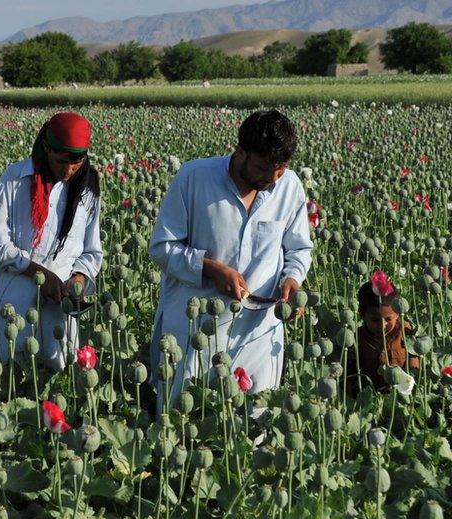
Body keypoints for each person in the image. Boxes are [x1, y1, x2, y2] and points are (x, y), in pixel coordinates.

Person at [148, 110, 313, 406]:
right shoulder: (194, 178)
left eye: (280, 170)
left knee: (255, 423)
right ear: (240, 151)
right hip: (194, 327)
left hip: (259, 331)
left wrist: (293, 278)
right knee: (183, 419)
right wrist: (209, 269)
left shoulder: (289, 187)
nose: (273, 180)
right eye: (264, 168)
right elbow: (162, 246)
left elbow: (298, 248)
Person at [0, 112, 103, 371]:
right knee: (10, 376)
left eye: (76, 163)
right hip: (15, 300)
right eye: (60, 161)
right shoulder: (15, 179)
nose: (68, 171)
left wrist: (79, 278)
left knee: (60, 377)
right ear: (46, 148)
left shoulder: (88, 188)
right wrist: (39, 274)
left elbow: (92, 251)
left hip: (60, 307)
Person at [348, 279, 419, 393]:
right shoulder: (356, 338)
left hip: (402, 394)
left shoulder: (407, 332)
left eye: (388, 319)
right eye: (375, 320)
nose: (383, 325)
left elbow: (415, 368)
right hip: (370, 395)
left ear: (398, 313)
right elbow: (350, 372)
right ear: (362, 315)